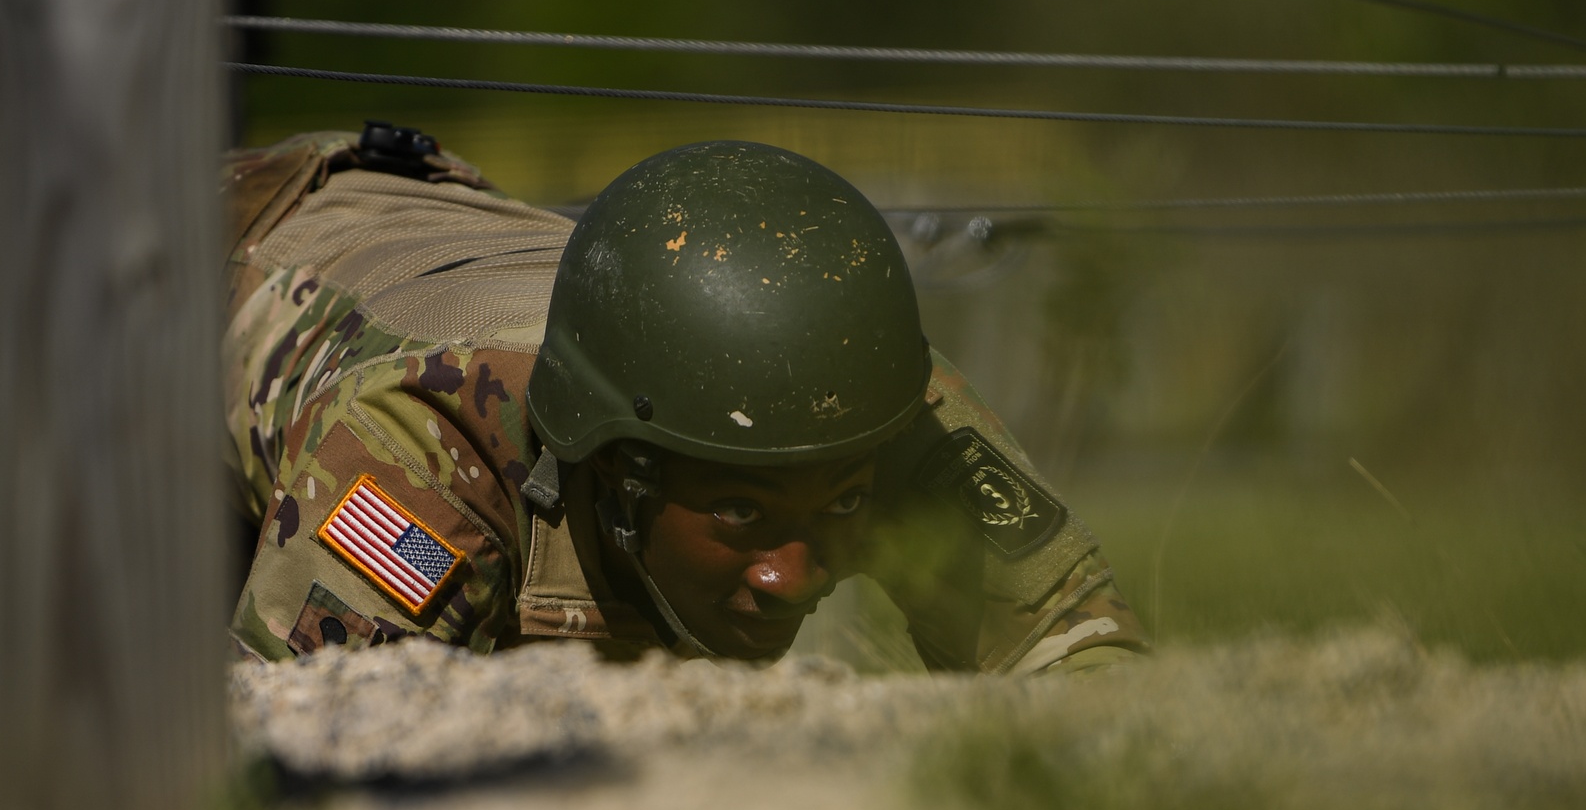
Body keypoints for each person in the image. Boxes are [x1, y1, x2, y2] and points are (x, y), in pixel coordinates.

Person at [222, 123, 1146, 673]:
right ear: (618, 469)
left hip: (464, 233)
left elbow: (1082, 660)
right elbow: (300, 744)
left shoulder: (864, 394)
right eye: (741, 509)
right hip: (191, 281)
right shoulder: (422, 450)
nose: (798, 575)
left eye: (846, 502)